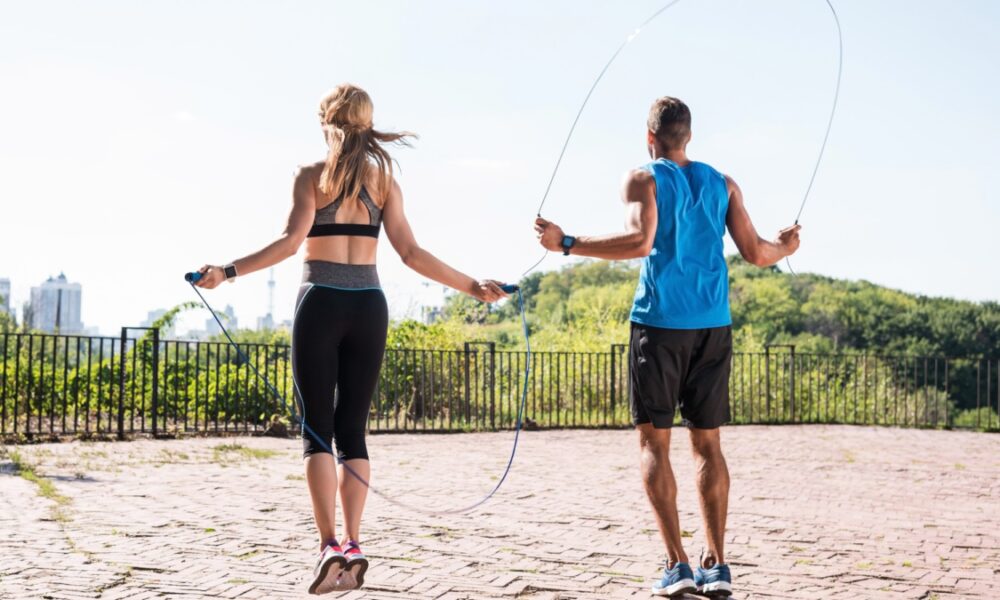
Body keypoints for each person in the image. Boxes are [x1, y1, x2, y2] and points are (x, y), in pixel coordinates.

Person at [194, 83, 508, 594]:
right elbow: (411, 252)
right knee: (353, 431)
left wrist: (225, 272)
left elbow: (289, 243)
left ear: (326, 123)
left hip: (320, 300)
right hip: (370, 306)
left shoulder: (311, 176)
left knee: (317, 431)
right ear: (366, 123)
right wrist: (472, 286)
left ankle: (328, 547)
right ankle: (356, 544)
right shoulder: (383, 181)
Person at [534, 96, 800, 598]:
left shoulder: (643, 177)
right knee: (708, 444)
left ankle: (678, 564)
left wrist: (565, 242)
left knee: (655, 442)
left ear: (649, 136)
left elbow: (639, 241)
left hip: (659, 326)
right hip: (713, 327)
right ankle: (717, 564)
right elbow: (757, 252)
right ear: (690, 136)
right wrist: (786, 246)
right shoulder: (723, 184)